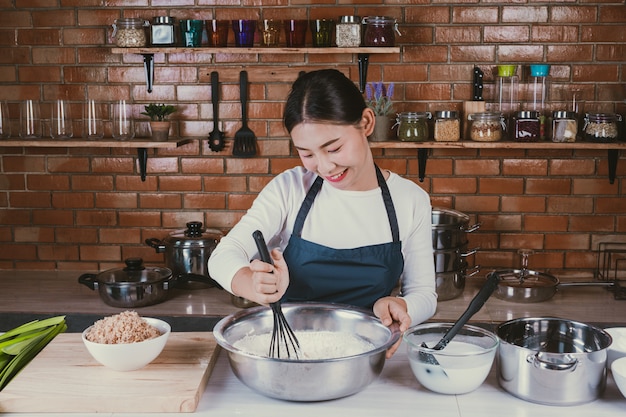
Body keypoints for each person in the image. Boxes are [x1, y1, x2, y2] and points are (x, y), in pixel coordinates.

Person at [208, 69, 436, 357]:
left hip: (366, 354)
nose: (325, 167)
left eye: (334, 148)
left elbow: (425, 294)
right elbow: (223, 255)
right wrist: (251, 284)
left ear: (366, 122)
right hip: (288, 351)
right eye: (307, 153)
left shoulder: (410, 199)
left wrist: (401, 307)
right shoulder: (290, 189)